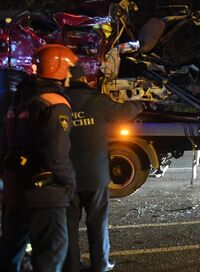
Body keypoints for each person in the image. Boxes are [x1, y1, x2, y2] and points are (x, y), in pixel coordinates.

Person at [0, 44, 78, 272]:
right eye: (70, 68)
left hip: (16, 188)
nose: (71, 74)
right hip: (45, 193)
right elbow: (55, 155)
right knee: (51, 255)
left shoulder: (18, 98)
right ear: (58, 68)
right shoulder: (54, 103)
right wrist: (69, 182)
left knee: (11, 252)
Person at [64, 66, 143, 272]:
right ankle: (100, 264)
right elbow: (125, 112)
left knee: (69, 224)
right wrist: (138, 102)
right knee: (97, 222)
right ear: (86, 80)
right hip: (95, 175)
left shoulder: (59, 102)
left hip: (68, 176)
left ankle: (71, 265)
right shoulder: (96, 100)